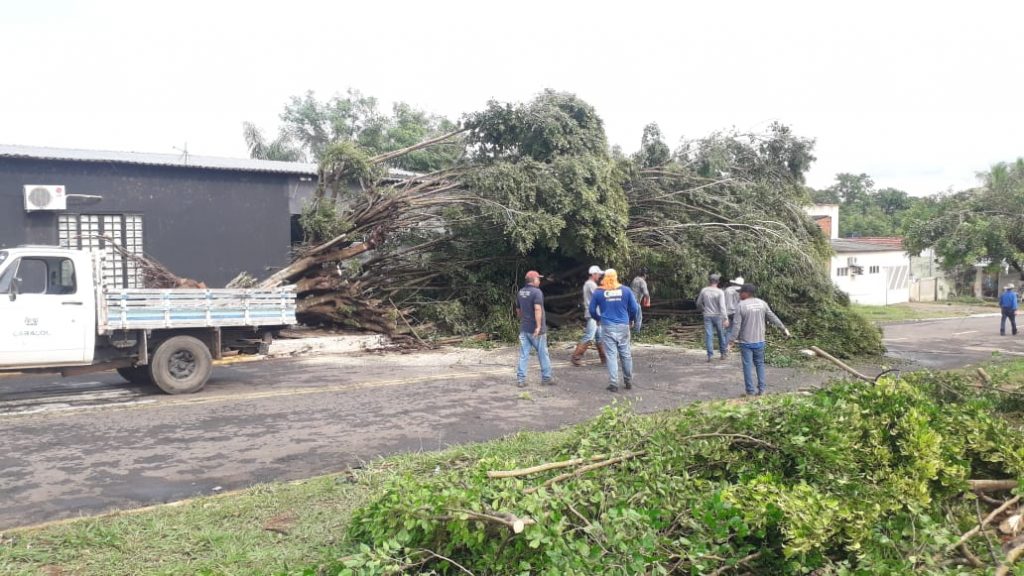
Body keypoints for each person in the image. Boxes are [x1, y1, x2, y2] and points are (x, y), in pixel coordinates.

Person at [728, 283, 790, 396]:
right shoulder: (762, 304)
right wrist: (783, 328)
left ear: (746, 293)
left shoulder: (741, 306)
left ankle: (750, 391)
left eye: (741, 292)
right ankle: (762, 390)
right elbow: (772, 317)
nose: (739, 294)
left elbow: (736, 325)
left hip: (746, 342)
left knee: (747, 366)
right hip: (760, 341)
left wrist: (731, 341)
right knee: (760, 365)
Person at [588, 268, 641, 393]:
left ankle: (614, 383)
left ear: (605, 278)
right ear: (616, 277)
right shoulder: (626, 291)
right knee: (625, 354)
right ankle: (628, 381)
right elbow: (634, 308)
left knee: (611, 355)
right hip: (623, 325)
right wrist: (631, 319)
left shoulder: (599, 292)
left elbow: (591, 309)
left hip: (607, 326)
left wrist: (598, 319)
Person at [515, 270, 553, 387]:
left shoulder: (520, 292)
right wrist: (538, 326)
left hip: (524, 328)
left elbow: (518, 311)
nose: (540, 281)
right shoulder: (537, 292)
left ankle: (521, 380)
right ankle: (546, 378)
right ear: (534, 280)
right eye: (538, 279)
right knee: (543, 354)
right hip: (536, 331)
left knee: (523, 354)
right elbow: (537, 309)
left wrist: (524, 320)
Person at [572, 266, 608, 366]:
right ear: (593, 274)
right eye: (598, 274)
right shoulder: (591, 284)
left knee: (600, 337)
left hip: (596, 314)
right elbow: (601, 297)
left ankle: (604, 359)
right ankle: (576, 357)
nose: (600, 276)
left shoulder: (590, 284)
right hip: (593, 314)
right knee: (589, 336)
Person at [695, 273, 730, 361]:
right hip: (718, 316)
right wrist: (725, 318)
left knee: (709, 335)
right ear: (718, 282)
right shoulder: (720, 292)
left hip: (707, 315)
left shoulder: (704, 290)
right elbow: (722, 306)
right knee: (721, 335)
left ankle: (710, 355)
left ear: (709, 281)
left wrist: (703, 310)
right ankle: (723, 353)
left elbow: (698, 303)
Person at [630, 267, 651, 332]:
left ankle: (629, 333)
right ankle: (636, 333)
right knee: (639, 319)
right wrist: (648, 299)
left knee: (631, 319)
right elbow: (645, 293)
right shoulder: (642, 281)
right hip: (636, 302)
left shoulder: (635, 279)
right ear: (645, 275)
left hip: (629, 301)